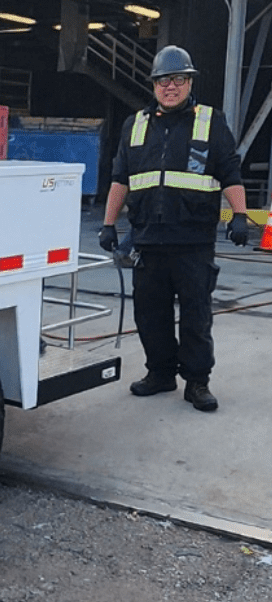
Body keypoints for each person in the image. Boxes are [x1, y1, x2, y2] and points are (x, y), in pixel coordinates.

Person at [98, 45, 249, 412]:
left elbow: (229, 172)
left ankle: (197, 382)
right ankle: (160, 373)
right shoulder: (134, 126)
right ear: (153, 84)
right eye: (164, 80)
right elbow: (121, 178)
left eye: (178, 79)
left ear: (189, 82)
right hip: (148, 240)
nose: (170, 86)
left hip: (193, 241)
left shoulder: (210, 122)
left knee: (196, 316)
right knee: (151, 314)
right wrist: (107, 224)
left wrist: (240, 215)